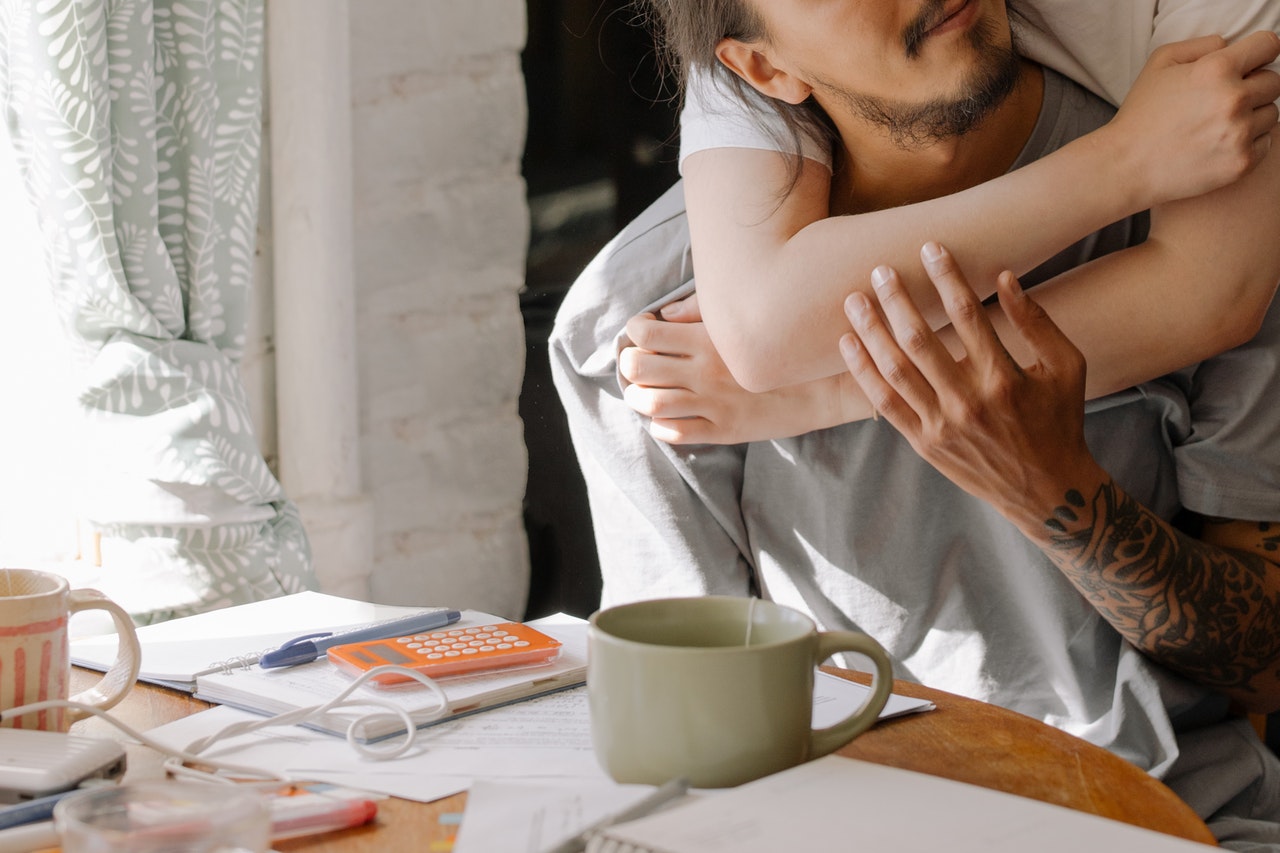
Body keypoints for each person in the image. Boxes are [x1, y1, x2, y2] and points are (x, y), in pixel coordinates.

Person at [548, 0, 1280, 848]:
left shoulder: (1211, 179)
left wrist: (1057, 494)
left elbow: (1265, 667)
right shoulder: (651, 329)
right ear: (762, 70)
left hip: (1168, 816)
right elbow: (688, 739)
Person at [617, 2, 1280, 446]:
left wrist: (828, 397)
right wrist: (1128, 159)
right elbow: (762, 331)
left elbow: (1210, 291)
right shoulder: (767, 37)